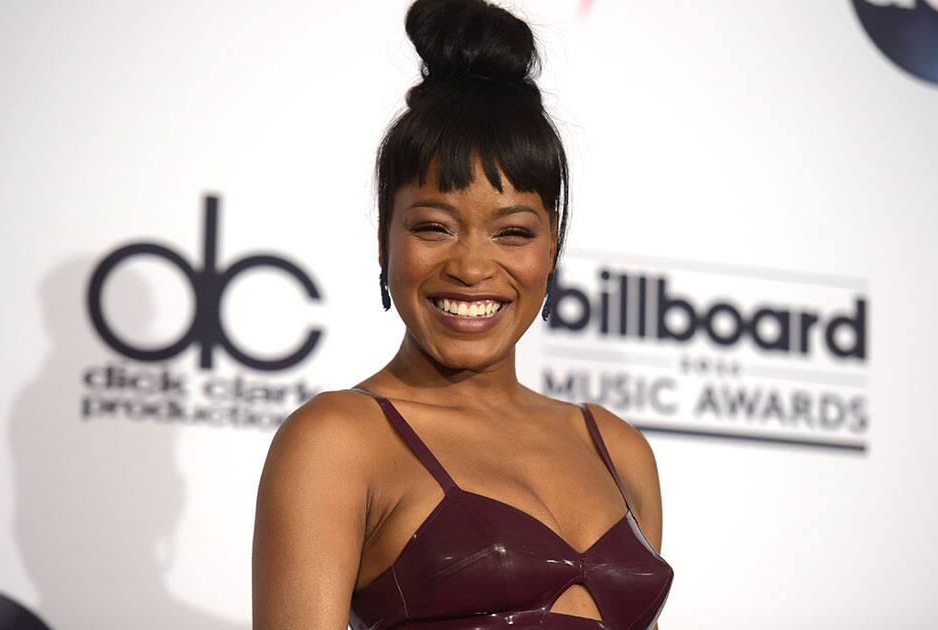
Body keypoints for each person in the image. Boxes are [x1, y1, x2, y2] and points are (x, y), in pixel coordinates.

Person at [252, 0, 674, 628]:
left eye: (512, 233)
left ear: (551, 248)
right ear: (384, 241)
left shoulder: (620, 449)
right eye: (434, 227)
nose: (472, 268)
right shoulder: (338, 440)